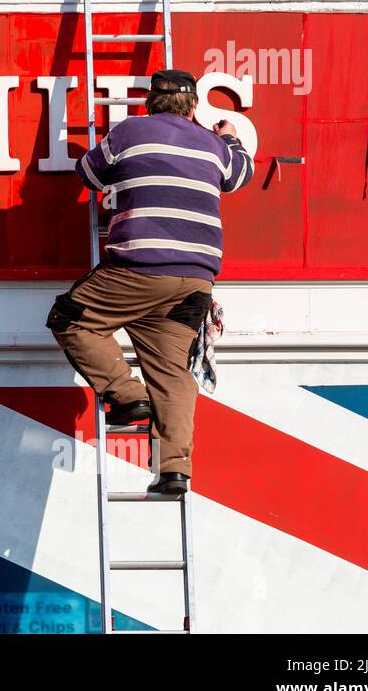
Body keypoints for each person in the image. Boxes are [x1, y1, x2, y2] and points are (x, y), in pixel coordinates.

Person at [46, 69, 254, 494]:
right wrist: (230, 137)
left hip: (139, 268)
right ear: (194, 106)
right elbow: (239, 175)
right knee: (172, 371)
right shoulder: (215, 146)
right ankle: (174, 469)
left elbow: (88, 173)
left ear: (150, 102)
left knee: (70, 318)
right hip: (196, 281)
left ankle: (126, 396)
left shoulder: (130, 132)